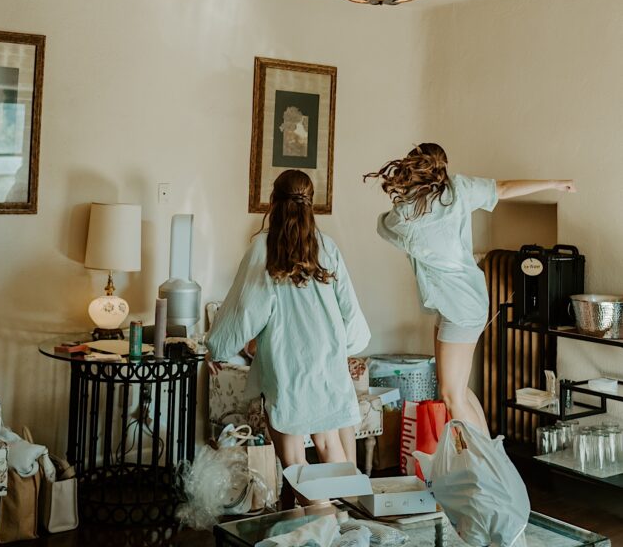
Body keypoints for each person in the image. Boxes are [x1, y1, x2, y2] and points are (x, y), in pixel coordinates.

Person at [365, 143, 575, 435]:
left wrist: (410, 197)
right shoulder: (459, 189)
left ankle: (487, 465)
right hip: (463, 300)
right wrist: (552, 183)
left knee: (452, 396)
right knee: (456, 391)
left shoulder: (405, 215)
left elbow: (383, 228)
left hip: (458, 307)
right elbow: (501, 188)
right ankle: (488, 456)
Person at [206, 168, 370, 474]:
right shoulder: (327, 248)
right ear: (311, 203)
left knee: (294, 460)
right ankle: (333, 520)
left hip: (286, 364)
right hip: (325, 364)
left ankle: (319, 517)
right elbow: (351, 312)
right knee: (330, 446)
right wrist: (342, 347)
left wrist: (217, 348)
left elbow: (244, 311)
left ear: (273, 202)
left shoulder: (263, 249)